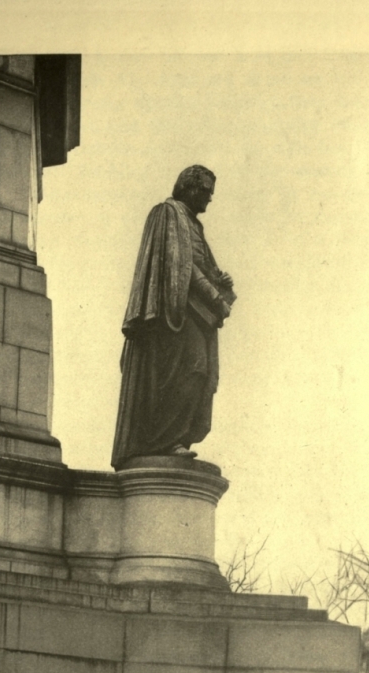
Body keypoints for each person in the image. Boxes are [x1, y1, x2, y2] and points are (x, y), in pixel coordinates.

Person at [111, 165, 235, 469]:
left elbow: (201, 264)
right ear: (190, 187)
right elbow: (182, 266)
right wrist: (213, 296)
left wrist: (221, 282)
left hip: (196, 314)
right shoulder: (168, 213)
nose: (209, 199)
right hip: (174, 313)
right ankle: (166, 440)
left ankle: (176, 439)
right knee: (193, 368)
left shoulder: (194, 225)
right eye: (206, 191)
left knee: (200, 373)